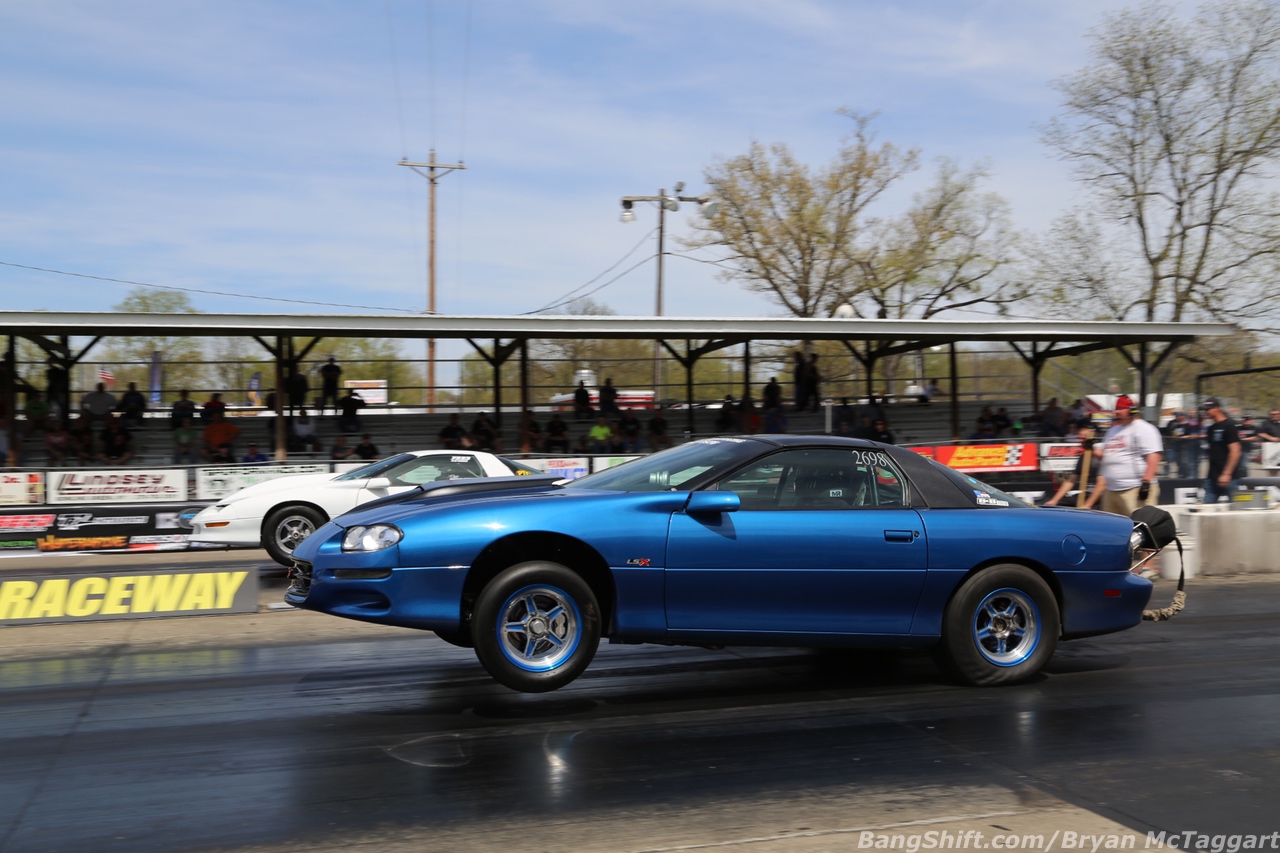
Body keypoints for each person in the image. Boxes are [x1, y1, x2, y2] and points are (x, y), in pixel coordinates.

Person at [1092, 394, 1163, 515]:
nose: (1116, 412)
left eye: (1120, 408)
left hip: (1134, 489)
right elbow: (1105, 456)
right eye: (1116, 408)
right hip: (1112, 490)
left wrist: (1146, 482)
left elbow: (1154, 456)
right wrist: (1091, 448)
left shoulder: (1144, 428)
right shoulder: (1113, 430)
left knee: (1138, 526)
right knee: (1112, 528)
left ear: (1132, 410)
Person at [1042, 427, 1106, 508]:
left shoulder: (1101, 457)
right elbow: (1070, 481)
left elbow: (1101, 485)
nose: (1078, 441)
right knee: (1059, 505)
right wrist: (1055, 500)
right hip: (1086, 494)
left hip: (1101, 497)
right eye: (1078, 438)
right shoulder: (1083, 457)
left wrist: (1087, 506)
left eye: (1082, 438)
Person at [1201, 399, 1242, 503]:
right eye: (1205, 409)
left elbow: (1235, 451)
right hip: (1212, 476)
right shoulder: (1211, 429)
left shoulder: (1229, 426)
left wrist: (1226, 474)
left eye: (1209, 409)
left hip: (1229, 477)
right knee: (1206, 508)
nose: (1206, 412)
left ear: (1218, 408)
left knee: (1237, 508)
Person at [1258, 407, 1280, 474]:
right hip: (1270, 449)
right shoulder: (1266, 423)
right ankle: (1274, 484)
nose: (1274, 416)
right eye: (1272, 414)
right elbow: (1260, 433)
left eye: (1276, 414)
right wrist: (1271, 438)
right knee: (1272, 470)